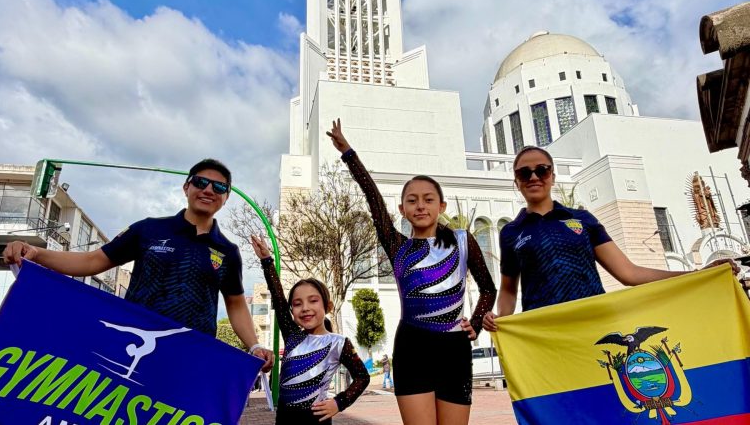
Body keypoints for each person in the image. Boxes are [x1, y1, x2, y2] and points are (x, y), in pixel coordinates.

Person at [2, 159, 273, 371]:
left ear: (226, 197)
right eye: (201, 182)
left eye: (219, 187)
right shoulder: (148, 230)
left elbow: (235, 304)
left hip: (191, 357)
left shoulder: (228, 251)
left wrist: (254, 346)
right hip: (131, 345)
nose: (209, 190)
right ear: (186, 188)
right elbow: (92, 261)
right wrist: (35, 253)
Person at [327, 119, 497, 425]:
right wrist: (348, 153)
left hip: (454, 351)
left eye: (428, 199)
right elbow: (373, 198)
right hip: (412, 348)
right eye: (412, 200)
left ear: (441, 205)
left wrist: (475, 324)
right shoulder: (397, 246)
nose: (420, 206)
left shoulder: (462, 240)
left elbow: (488, 288)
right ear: (402, 210)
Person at [483, 146, 740, 332]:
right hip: (545, 331)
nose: (534, 177)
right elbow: (508, 290)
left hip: (596, 324)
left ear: (552, 176)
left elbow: (629, 273)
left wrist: (697, 274)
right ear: (517, 182)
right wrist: (500, 318)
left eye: (542, 170)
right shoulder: (511, 232)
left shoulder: (583, 219)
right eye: (524, 173)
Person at [250, 235, 369, 424]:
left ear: (327, 306)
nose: (305, 308)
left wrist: (339, 403)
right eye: (297, 304)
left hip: (316, 419)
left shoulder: (338, 343)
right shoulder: (292, 335)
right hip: (285, 419)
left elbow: (362, 377)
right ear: (292, 311)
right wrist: (266, 260)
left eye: (313, 301)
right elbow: (278, 298)